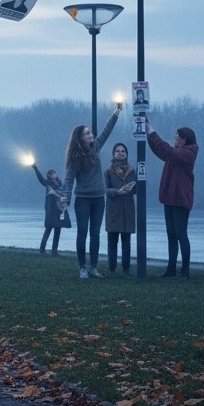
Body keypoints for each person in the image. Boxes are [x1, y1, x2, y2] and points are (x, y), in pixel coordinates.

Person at [57, 106, 122, 279]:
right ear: (79, 138)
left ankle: (93, 267)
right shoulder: (74, 157)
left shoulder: (96, 147)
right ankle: (82, 268)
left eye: (90, 133)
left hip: (99, 199)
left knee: (95, 233)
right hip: (83, 200)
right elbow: (69, 180)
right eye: (86, 133)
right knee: (82, 232)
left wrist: (115, 113)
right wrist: (66, 198)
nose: (91, 135)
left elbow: (106, 131)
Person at [145, 116, 198, 278]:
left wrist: (151, 129)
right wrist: (148, 135)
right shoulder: (176, 153)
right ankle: (171, 269)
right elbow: (161, 150)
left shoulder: (188, 153)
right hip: (169, 197)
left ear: (185, 139)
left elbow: (167, 150)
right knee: (171, 234)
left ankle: (185, 271)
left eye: (178, 136)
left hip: (181, 199)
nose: (175, 137)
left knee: (181, 234)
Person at [104, 142, 136, 275]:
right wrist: (117, 191)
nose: (120, 153)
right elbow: (105, 189)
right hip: (113, 210)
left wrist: (133, 187)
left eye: (123, 151)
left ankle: (126, 268)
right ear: (113, 154)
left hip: (128, 210)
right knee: (112, 241)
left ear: (126, 154)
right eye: (118, 151)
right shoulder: (108, 171)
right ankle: (112, 268)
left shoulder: (132, 171)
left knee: (126, 242)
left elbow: (136, 189)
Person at [30, 164, 69, 256]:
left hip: (58, 209)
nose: (54, 174)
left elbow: (64, 193)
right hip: (50, 209)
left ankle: (54, 251)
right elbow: (40, 178)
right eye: (52, 173)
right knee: (49, 228)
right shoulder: (47, 183)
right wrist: (35, 168)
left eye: (54, 173)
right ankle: (42, 249)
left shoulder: (59, 184)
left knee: (58, 229)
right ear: (50, 176)